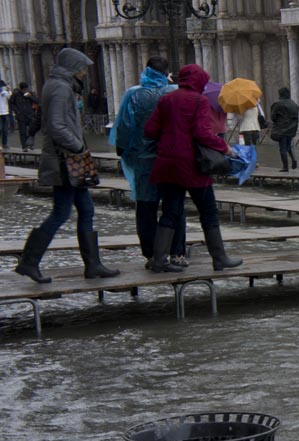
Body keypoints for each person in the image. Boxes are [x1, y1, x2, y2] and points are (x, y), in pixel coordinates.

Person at [13, 48, 120, 283]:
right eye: (81, 67)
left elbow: (47, 121)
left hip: (66, 160)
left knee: (87, 209)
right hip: (65, 162)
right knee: (60, 213)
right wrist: (79, 147)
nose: (84, 72)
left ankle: (93, 265)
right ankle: (29, 262)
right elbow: (56, 126)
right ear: (72, 67)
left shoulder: (56, 85)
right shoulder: (61, 88)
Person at [143, 63, 242, 273]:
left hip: (167, 165)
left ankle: (159, 259)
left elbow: (150, 130)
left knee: (170, 211)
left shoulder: (166, 100)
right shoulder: (199, 101)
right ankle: (219, 258)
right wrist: (225, 148)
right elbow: (202, 133)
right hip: (192, 165)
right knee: (208, 211)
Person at [110, 55, 180, 267]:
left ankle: (151, 254)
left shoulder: (134, 94)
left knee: (146, 207)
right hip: (171, 159)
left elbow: (123, 126)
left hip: (142, 160)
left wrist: (122, 150)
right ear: (166, 72)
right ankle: (176, 252)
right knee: (173, 206)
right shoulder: (175, 93)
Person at [269, 86, 299, 172]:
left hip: (281, 129)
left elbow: (273, 117)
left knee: (282, 148)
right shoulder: (294, 104)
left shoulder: (277, 104)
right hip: (292, 129)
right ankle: (294, 159)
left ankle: (285, 167)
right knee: (288, 146)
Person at [11, 83, 38, 149]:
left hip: (30, 115)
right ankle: (24, 145)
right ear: (21, 89)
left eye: (26, 89)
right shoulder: (16, 95)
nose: (25, 90)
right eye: (23, 89)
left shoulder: (30, 93)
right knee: (22, 132)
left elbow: (37, 101)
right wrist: (17, 111)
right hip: (21, 116)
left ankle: (30, 144)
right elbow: (11, 104)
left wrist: (30, 97)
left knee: (31, 131)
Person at [0, 80, 10, 149]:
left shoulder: (4, 93)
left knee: (5, 130)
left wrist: (8, 90)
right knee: (0, 129)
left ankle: (4, 143)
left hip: (5, 112)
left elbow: (9, 98)